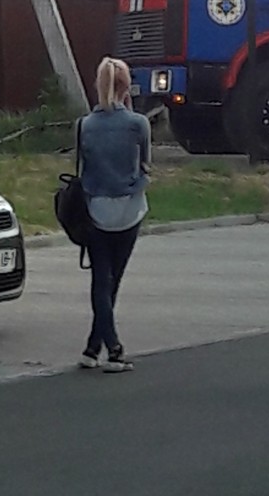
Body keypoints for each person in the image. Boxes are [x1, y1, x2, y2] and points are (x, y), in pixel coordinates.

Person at [77, 57, 150, 373]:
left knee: (100, 282)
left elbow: (82, 169)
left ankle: (95, 347)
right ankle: (112, 350)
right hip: (130, 210)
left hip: (96, 210)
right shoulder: (138, 124)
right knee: (113, 281)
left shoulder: (85, 126)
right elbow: (146, 165)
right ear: (125, 87)